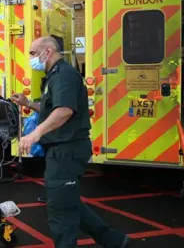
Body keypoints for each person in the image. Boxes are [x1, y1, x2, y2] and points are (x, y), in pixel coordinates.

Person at [10, 36, 132, 248]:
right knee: (68, 202)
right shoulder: (54, 76)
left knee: (60, 212)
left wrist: (35, 134)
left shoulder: (63, 75)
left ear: (47, 52)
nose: (30, 57)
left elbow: (65, 110)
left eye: (32, 52)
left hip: (66, 150)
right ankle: (115, 241)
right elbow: (52, 109)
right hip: (62, 151)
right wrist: (28, 103)